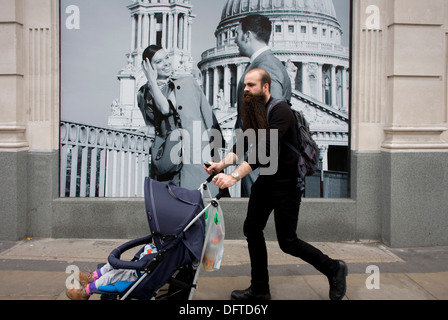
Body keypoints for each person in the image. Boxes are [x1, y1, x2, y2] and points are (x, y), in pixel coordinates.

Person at [204, 68, 348, 300]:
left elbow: (265, 151)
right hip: (268, 182)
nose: (246, 90)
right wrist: (220, 166)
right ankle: (260, 290)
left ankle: (334, 268)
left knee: (288, 242)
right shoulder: (254, 113)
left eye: (252, 85)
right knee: (252, 229)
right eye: (245, 86)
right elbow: (243, 146)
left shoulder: (281, 111)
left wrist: (233, 177)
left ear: (266, 87)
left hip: (287, 185)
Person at [137, 45, 223, 191]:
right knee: (173, 203)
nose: (166, 63)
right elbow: (152, 124)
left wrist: (215, 146)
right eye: (158, 62)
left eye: (166, 58)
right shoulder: (144, 93)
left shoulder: (184, 83)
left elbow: (167, 109)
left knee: (200, 199)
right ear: (148, 67)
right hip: (168, 157)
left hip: (194, 153)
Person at [233, 14, 292, 196]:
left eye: (237, 33)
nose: (234, 39)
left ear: (247, 35)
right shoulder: (265, 64)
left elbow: (272, 123)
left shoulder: (266, 67)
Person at [66, 242, 158, 300]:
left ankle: (85, 293)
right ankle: (91, 278)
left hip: (138, 274)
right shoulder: (155, 244)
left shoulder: (161, 252)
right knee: (111, 264)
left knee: (111, 276)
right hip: (137, 266)